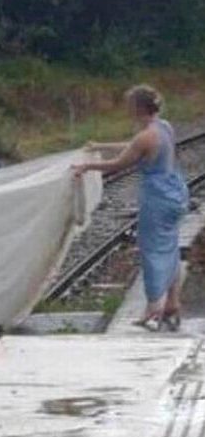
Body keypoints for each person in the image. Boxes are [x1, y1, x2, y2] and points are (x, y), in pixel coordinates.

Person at [73, 84, 189, 331]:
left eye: (130, 106)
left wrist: (87, 167)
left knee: (152, 251)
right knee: (169, 248)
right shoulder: (164, 127)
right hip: (175, 192)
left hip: (157, 198)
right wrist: (100, 146)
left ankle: (152, 308)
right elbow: (132, 146)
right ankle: (172, 302)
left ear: (138, 107)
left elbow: (120, 163)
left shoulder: (146, 136)